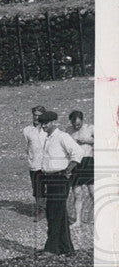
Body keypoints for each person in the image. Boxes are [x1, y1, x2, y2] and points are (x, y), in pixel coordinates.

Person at [37, 111, 83, 257]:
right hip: (49, 178)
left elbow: (78, 152)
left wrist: (69, 169)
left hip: (59, 178)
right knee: (59, 213)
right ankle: (66, 248)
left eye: (46, 123)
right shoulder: (48, 138)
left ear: (53, 123)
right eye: (42, 123)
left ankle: (51, 249)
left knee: (54, 213)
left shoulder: (62, 136)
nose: (43, 126)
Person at [67, 110, 94, 228]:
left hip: (87, 161)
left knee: (92, 191)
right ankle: (78, 220)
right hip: (75, 162)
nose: (76, 126)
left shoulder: (90, 128)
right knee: (77, 193)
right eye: (74, 124)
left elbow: (106, 140)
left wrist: (87, 141)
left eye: (78, 124)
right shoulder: (68, 131)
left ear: (82, 120)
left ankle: (98, 217)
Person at [23, 105, 48, 216]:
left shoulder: (47, 130)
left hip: (48, 163)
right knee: (37, 188)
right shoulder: (27, 130)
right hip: (34, 163)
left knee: (49, 187)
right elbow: (27, 147)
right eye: (35, 115)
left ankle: (49, 209)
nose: (36, 118)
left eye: (39, 116)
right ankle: (40, 210)